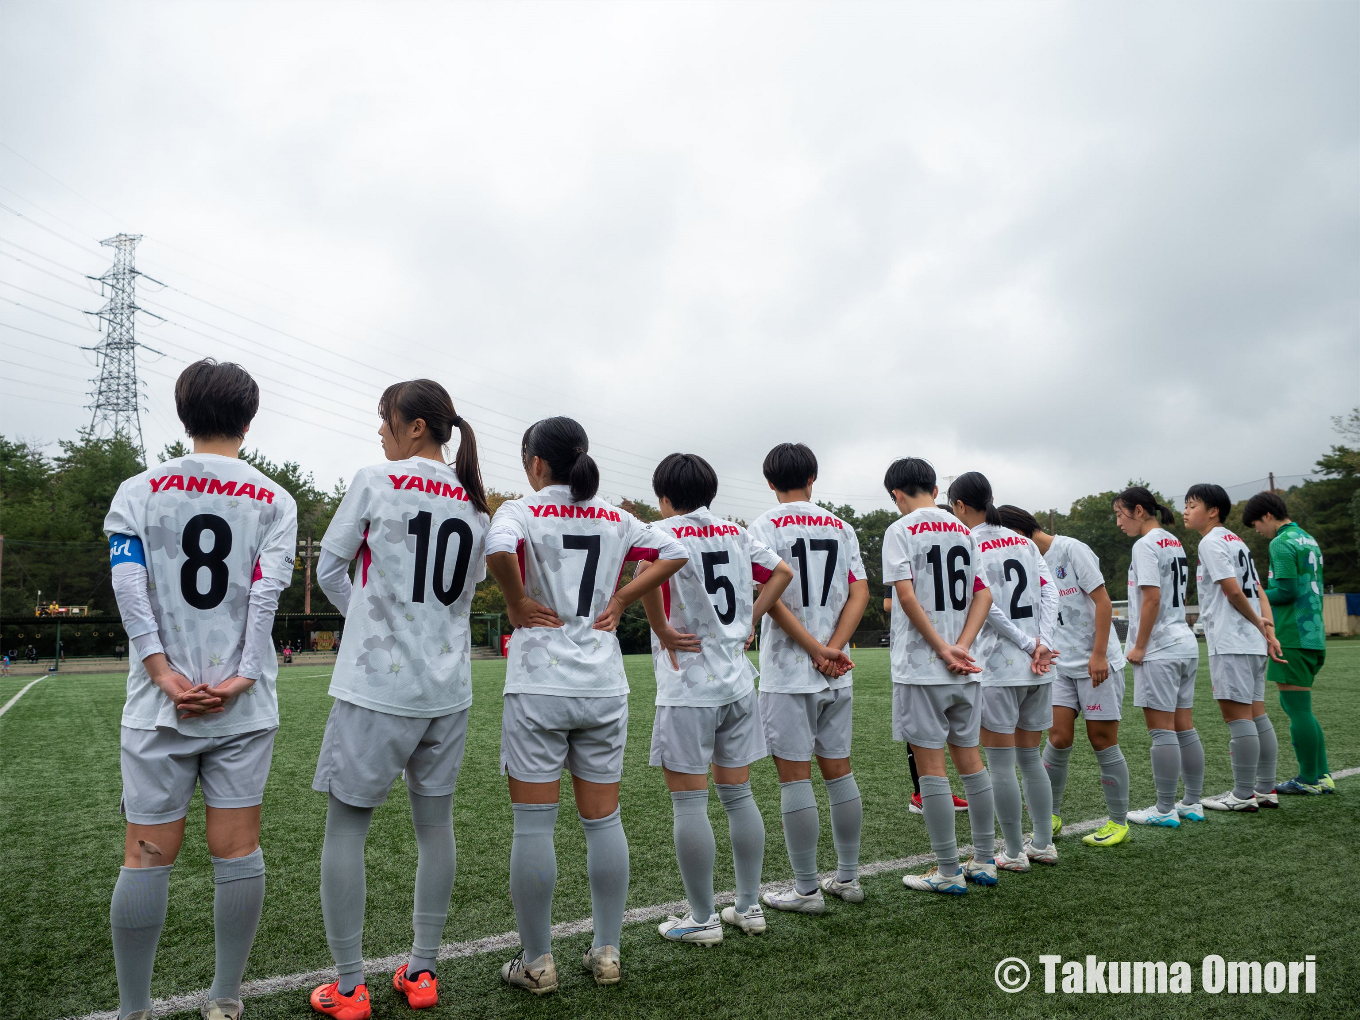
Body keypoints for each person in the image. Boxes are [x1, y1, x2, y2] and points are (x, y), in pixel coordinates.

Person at [103, 359, 298, 1020]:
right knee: (237, 847)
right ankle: (225, 999)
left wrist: (161, 674)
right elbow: (266, 596)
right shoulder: (275, 499)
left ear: (184, 415)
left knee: (146, 852)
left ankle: (134, 1011)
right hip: (240, 707)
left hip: (159, 708)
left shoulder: (138, 490)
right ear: (248, 418)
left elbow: (129, 590)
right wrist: (242, 676)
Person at [485, 417, 688, 994]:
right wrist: (623, 595)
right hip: (603, 685)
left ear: (535, 463)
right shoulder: (616, 517)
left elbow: (498, 549)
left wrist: (517, 599)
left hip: (539, 686)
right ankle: (607, 952)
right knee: (603, 821)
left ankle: (538, 961)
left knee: (533, 825)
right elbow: (674, 551)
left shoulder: (521, 510)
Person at [306, 381, 490, 1018]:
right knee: (435, 828)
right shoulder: (475, 503)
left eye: (384, 421)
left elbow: (330, 569)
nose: (378, 433)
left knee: (346, 831)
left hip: (377, 687)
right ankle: (422, 973)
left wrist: (370, 627)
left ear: (415, 427)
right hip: (448, 689)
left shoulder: (375, 479)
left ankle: (351, 986)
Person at [635, 453, 794, 943]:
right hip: (737, 682)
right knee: (739, 795)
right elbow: (782, 573)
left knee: (689, 803)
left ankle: (701, 918)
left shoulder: (663, 532)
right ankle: (748, 907)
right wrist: (751, 619)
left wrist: (661, 628)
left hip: (688, 685)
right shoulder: (735, 532)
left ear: (664, 497)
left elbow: (643, 579)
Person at [748, 443, 870, 914]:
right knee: (839, 771)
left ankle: (805, 890)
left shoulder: (763, 525)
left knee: (794, 778)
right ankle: (849, 877)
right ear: (813, 478)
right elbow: (860, 591)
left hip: (788, 671)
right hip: (837, 671)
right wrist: (833, 646)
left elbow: (768, 593)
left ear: (770, 482)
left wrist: (815, 649)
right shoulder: (842, 526)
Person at [881, 457, 996, 895]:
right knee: (971, 763)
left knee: (931, 769)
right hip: (965, 667)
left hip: (922, 669)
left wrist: (940, 647)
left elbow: (904, 595)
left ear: (897, 494)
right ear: (933, 486)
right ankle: (984, 860)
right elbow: (983, 595)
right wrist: (961, 644)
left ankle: (948, 871)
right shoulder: (964, 529)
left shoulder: (901, 529)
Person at [995, 506, 1131, 847]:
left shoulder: (1070, 549)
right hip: (1059, 666)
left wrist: (1099, 654)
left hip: (1096, 663)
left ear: (1018, 530)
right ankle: (1050, 816)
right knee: (1057, 737)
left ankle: (1118, 821)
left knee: (1102, 740)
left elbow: (1102, 602)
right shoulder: (1026, 560)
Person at [951, 475, 1058, 873]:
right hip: (1040, 665)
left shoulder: (969, 542)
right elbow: (1050, 591)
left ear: (960, 506)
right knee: (1030, 759)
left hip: (999, 666)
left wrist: (1026, 642)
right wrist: (1042, 641)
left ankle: (1013, 851)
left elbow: (986, 603)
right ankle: (1043, 843)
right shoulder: (1025, 541)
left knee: (999, 763)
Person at [1183, 484, 1285, 813]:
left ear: (1213, 511)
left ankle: (1243, 794)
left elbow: (1234, 591)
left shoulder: (1212, 541)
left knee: (1237, 717)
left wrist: (1258, 624)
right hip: (1251, 642)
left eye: (1192, 505)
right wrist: (1267, 630)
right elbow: (1258, 589)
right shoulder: (1235, 540)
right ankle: (1265, 788)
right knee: (1257, 714)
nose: (1186, 511)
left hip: (1232, 640)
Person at [1112, 486, 1202, 828]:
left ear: (1138, 510)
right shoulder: (1172, 540)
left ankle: (1165, 809)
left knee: (1162, 731)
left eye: (1120, 515)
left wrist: (1138, 646)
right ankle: (1191, 802)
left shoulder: (1145, 544)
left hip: (1160, 648)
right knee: (1184, 727)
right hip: (1184, 641)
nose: (1119, 522)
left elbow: (1151, 598)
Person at [1242, 491, 1333, 794]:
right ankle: (1322, 775)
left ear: (1267, 515)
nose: (1257, 530)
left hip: (1292, 633)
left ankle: (1309, 779)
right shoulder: (1308, 538)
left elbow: (1287, 590)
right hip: (1314, 633)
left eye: (1256, 523)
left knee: (1297, 709)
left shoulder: (1280, 542)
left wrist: (1253, 594)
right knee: (1303, 708)